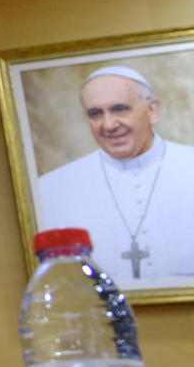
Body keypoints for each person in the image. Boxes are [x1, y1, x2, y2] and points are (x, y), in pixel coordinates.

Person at [37, 66, 194, 283]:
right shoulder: (51, 188)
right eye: (96, 114)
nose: (109, 125)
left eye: (120, 109)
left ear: (152, 111)